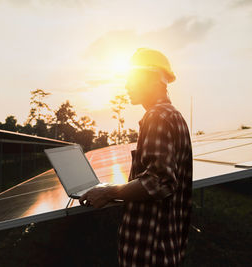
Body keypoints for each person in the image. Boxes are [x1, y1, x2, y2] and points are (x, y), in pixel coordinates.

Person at [79, 48, 193, 267]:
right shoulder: (172, 115)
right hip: (165, 244)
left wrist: (109, 191)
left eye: (132, 78)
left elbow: (158, 182)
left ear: (152, 79)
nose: (127, 86)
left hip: (150, 249)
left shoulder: (158, 117)